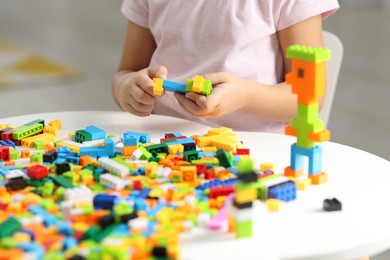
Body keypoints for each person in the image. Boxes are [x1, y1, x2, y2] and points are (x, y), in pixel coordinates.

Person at [112, 0, 339, 133]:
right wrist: (127, 89)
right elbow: (126, 73)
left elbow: (309, 98)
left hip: (254, 149)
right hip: (161, 138)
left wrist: (245, 96)